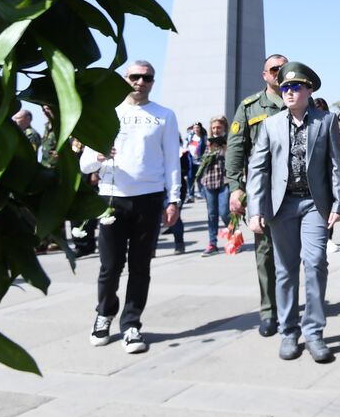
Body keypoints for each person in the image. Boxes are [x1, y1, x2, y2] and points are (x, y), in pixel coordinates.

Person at [246, 61, 340, 362]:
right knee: (285, 271)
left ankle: (314, 331)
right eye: (285, 87)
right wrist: (254, 209)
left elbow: (335, 164)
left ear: (308, 90)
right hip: (281, 205)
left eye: (295, 87)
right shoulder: (270, 124)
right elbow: (257, 168)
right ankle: (289, 331)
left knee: (316, 263)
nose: (289, 92)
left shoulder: (325, 121)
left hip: (314, 204)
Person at [80, 60, 180, 354]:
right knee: (110, 266)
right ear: (125, 79)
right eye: (134, 77)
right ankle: (104, 313)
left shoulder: (164, 116)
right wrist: (98, 155)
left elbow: (172, 161)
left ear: (153, 81)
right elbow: (84, 164)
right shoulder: (107, 113)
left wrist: (173, 199)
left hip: (148, 198)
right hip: (112, 197)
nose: (140, 82)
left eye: (147, 78)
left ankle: (132, 323)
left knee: (140, 266)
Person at [226, 53, 289, 336]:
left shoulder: (302, 102)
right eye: (274, 69)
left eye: (284, 68)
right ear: (265, 75)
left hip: (296, 191)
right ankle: (269, 311)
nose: (279, 73)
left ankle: (290, 307)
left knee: (295, 254)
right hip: (263, 191)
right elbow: (236, 148)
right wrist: (235, 187)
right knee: (265, 254)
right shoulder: (250, 107)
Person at [195, 116, 231, 255]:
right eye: (214, 127)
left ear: (224, 128)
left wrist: (224, 148)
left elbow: (233, 160)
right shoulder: (206, 142)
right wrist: (209, 151)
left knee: (224, 212)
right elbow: (198, 160)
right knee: (211, 214)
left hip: (224, 181)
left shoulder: (229, 141)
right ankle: (212, 244)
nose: (216, 130)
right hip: (209, 181)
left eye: (219, 127)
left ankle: (234, 237)